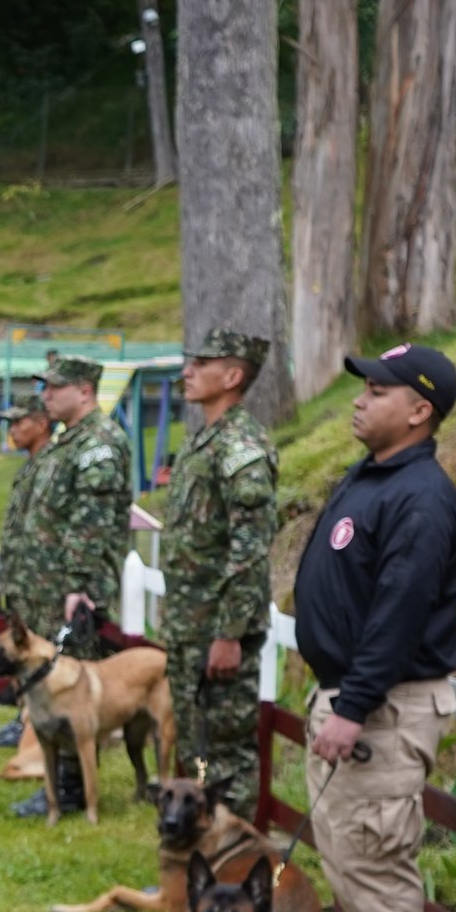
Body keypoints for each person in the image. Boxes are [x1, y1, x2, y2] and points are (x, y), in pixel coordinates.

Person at [291, 343, 456, 912]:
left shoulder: (422, 497)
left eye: (377, 391)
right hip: (352, 699)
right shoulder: (373, 477)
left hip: (383, 709)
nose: (360, 401)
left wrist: (353, 705)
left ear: (419, 411)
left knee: (374, 859)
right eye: (362, 389)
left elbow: (399, 613)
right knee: (345, 852)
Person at [0, 353, 136, 819]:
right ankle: (59, 783)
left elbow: (90, 523)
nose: (47, 396)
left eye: (56, 388)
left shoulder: (99, 442)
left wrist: (78, 584)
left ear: (85, 391)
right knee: (52, 693)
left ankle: (73, 789)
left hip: (73, 591)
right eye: (46, 387)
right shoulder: (68, 441)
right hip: (49, 587)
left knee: (73, 696)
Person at [164, 327, 281, 818]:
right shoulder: (204, 440)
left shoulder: (240, 446)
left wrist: (230, 633)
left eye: (201, 364)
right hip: (190, 627)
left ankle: (234, 857)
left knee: (226, 757)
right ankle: (200, 852)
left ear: (232, 377)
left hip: (217, 630)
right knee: (197, 745)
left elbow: (249, 550)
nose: (187, 372)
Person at [0, 392, 54, 751]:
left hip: (40, 579)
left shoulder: (50, 465)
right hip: (22, 577)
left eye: (19, 422)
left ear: (41, 424)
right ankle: (23, 719)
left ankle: (32, 724)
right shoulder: (30, 465)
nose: (12, 430)